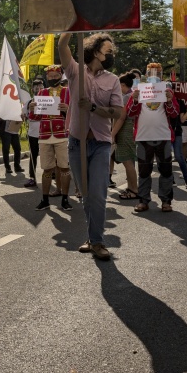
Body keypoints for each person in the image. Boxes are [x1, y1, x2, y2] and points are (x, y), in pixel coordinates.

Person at [59, 32, 124, 260]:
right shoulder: (75, 71)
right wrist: (71, 28)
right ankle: (91, 237)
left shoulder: (113, 80)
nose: (111, 54)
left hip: (101, 145)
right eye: (108, 50)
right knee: (85, 194)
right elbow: (62, 46)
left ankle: (97, 242)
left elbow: (118, 112)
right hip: (76, 144)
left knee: (98, 193)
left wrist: (94, 108)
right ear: (95, 51)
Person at [126, 63, 180, 213]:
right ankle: (143, 200)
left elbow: (175, 113)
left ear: (162, 75)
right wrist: (135, 99)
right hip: (143, 138)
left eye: (157, 72)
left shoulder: (167, 91)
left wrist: (169, 101)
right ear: (146, 75)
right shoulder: (138, 90)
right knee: (144, 171)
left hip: (163, 137)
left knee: (166, 170)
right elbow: (130, 113)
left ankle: (166, 201)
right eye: (150, 72)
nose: (154, 75)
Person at [29, 65, 73, 211]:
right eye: (50, 76)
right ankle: (45, 199)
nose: (53, 78)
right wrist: (32, 109)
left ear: (61, 76)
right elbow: (35, 117)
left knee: (64, 168)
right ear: (47, 78)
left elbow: (76, 115)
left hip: (63, 135)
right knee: (47, 169)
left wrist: (68, 110)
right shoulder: (41, 92)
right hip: (45, 135)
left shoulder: (68, 92)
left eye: (56, 76)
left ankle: (65, 199)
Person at [111, 72, 139, 200]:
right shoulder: (131, 95)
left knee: (128, 163)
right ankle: (131, 187)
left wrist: (112, 134)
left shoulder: (125, 98)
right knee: (129, 162)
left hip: (125, 130)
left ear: (122, 85)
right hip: (130, 129)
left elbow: (120, 119)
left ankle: (133, 189)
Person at [167, 81, 187, 189]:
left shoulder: (179, 102)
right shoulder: (160, 103)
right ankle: (171, 179)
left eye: (169, 90)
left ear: (173, 91)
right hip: (165, 133)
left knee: (179, 156)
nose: (168, 93)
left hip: (176, 132)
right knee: (167, 157)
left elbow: (182, 120)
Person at [24, 76, 44, 187]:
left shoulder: (50, 99)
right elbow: (24, 116)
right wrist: (24, 114)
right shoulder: (28, 102)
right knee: (33, 155)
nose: (38, 88)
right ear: (32, 89)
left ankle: (52, 175)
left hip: (46, 132)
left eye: (40, 86)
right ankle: (32, 177)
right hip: (33, 133)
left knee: (49, 156)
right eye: (36, 86)